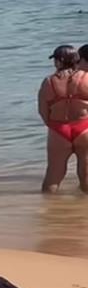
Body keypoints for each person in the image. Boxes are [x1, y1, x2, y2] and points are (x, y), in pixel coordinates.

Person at [38, 45, 88, 194]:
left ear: (59, 62)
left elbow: (42, 111)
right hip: (84, 128)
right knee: (86, 174)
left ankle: (48, 210)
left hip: (59, 130)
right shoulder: (86, 78)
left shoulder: (49, 82)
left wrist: (53, 126)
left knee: (53, 176)